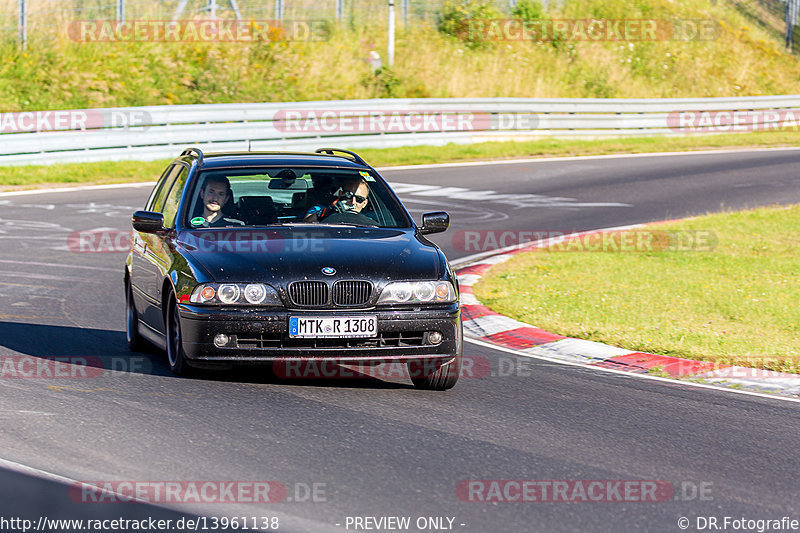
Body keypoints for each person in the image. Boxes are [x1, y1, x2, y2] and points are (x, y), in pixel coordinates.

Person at [306, 177, 373, 224]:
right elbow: (306, 222)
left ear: (364, 203)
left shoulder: (369, 222)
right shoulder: (319, 209)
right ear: (340, 194)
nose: (353, 202)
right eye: (348, 196)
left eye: (359, 199)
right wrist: (329, 211)